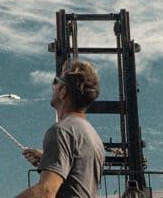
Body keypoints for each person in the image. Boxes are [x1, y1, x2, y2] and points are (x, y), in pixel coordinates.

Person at [17, 60, 105, 198]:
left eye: (56, 82)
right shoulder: (92, 135)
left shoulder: (61, 131)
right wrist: (48, 158)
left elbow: (45, 192)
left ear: (63, 92)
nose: (53, 87)